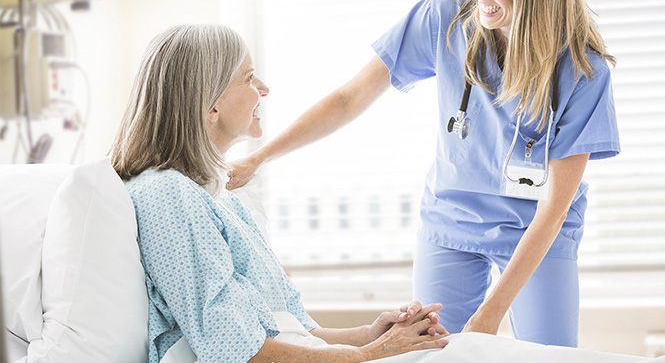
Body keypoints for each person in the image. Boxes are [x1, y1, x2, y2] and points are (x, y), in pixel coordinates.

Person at [227, 0, 619, 347]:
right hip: (452, 220)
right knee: (432, 350)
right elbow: (348, 98)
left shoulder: (584, 72)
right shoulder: (444, 19)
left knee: (549, 356)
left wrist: (490, 315)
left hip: (537, 230)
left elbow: (553, 210)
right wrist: (259, 157)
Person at [109, 24, 448, 363]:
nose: (264, 89)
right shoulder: (166, 196)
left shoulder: (220, 199)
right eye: (249, 78)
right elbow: (233, 349)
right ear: (210, 105)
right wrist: (370, 354)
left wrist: (370, 335)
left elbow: (293, 328)